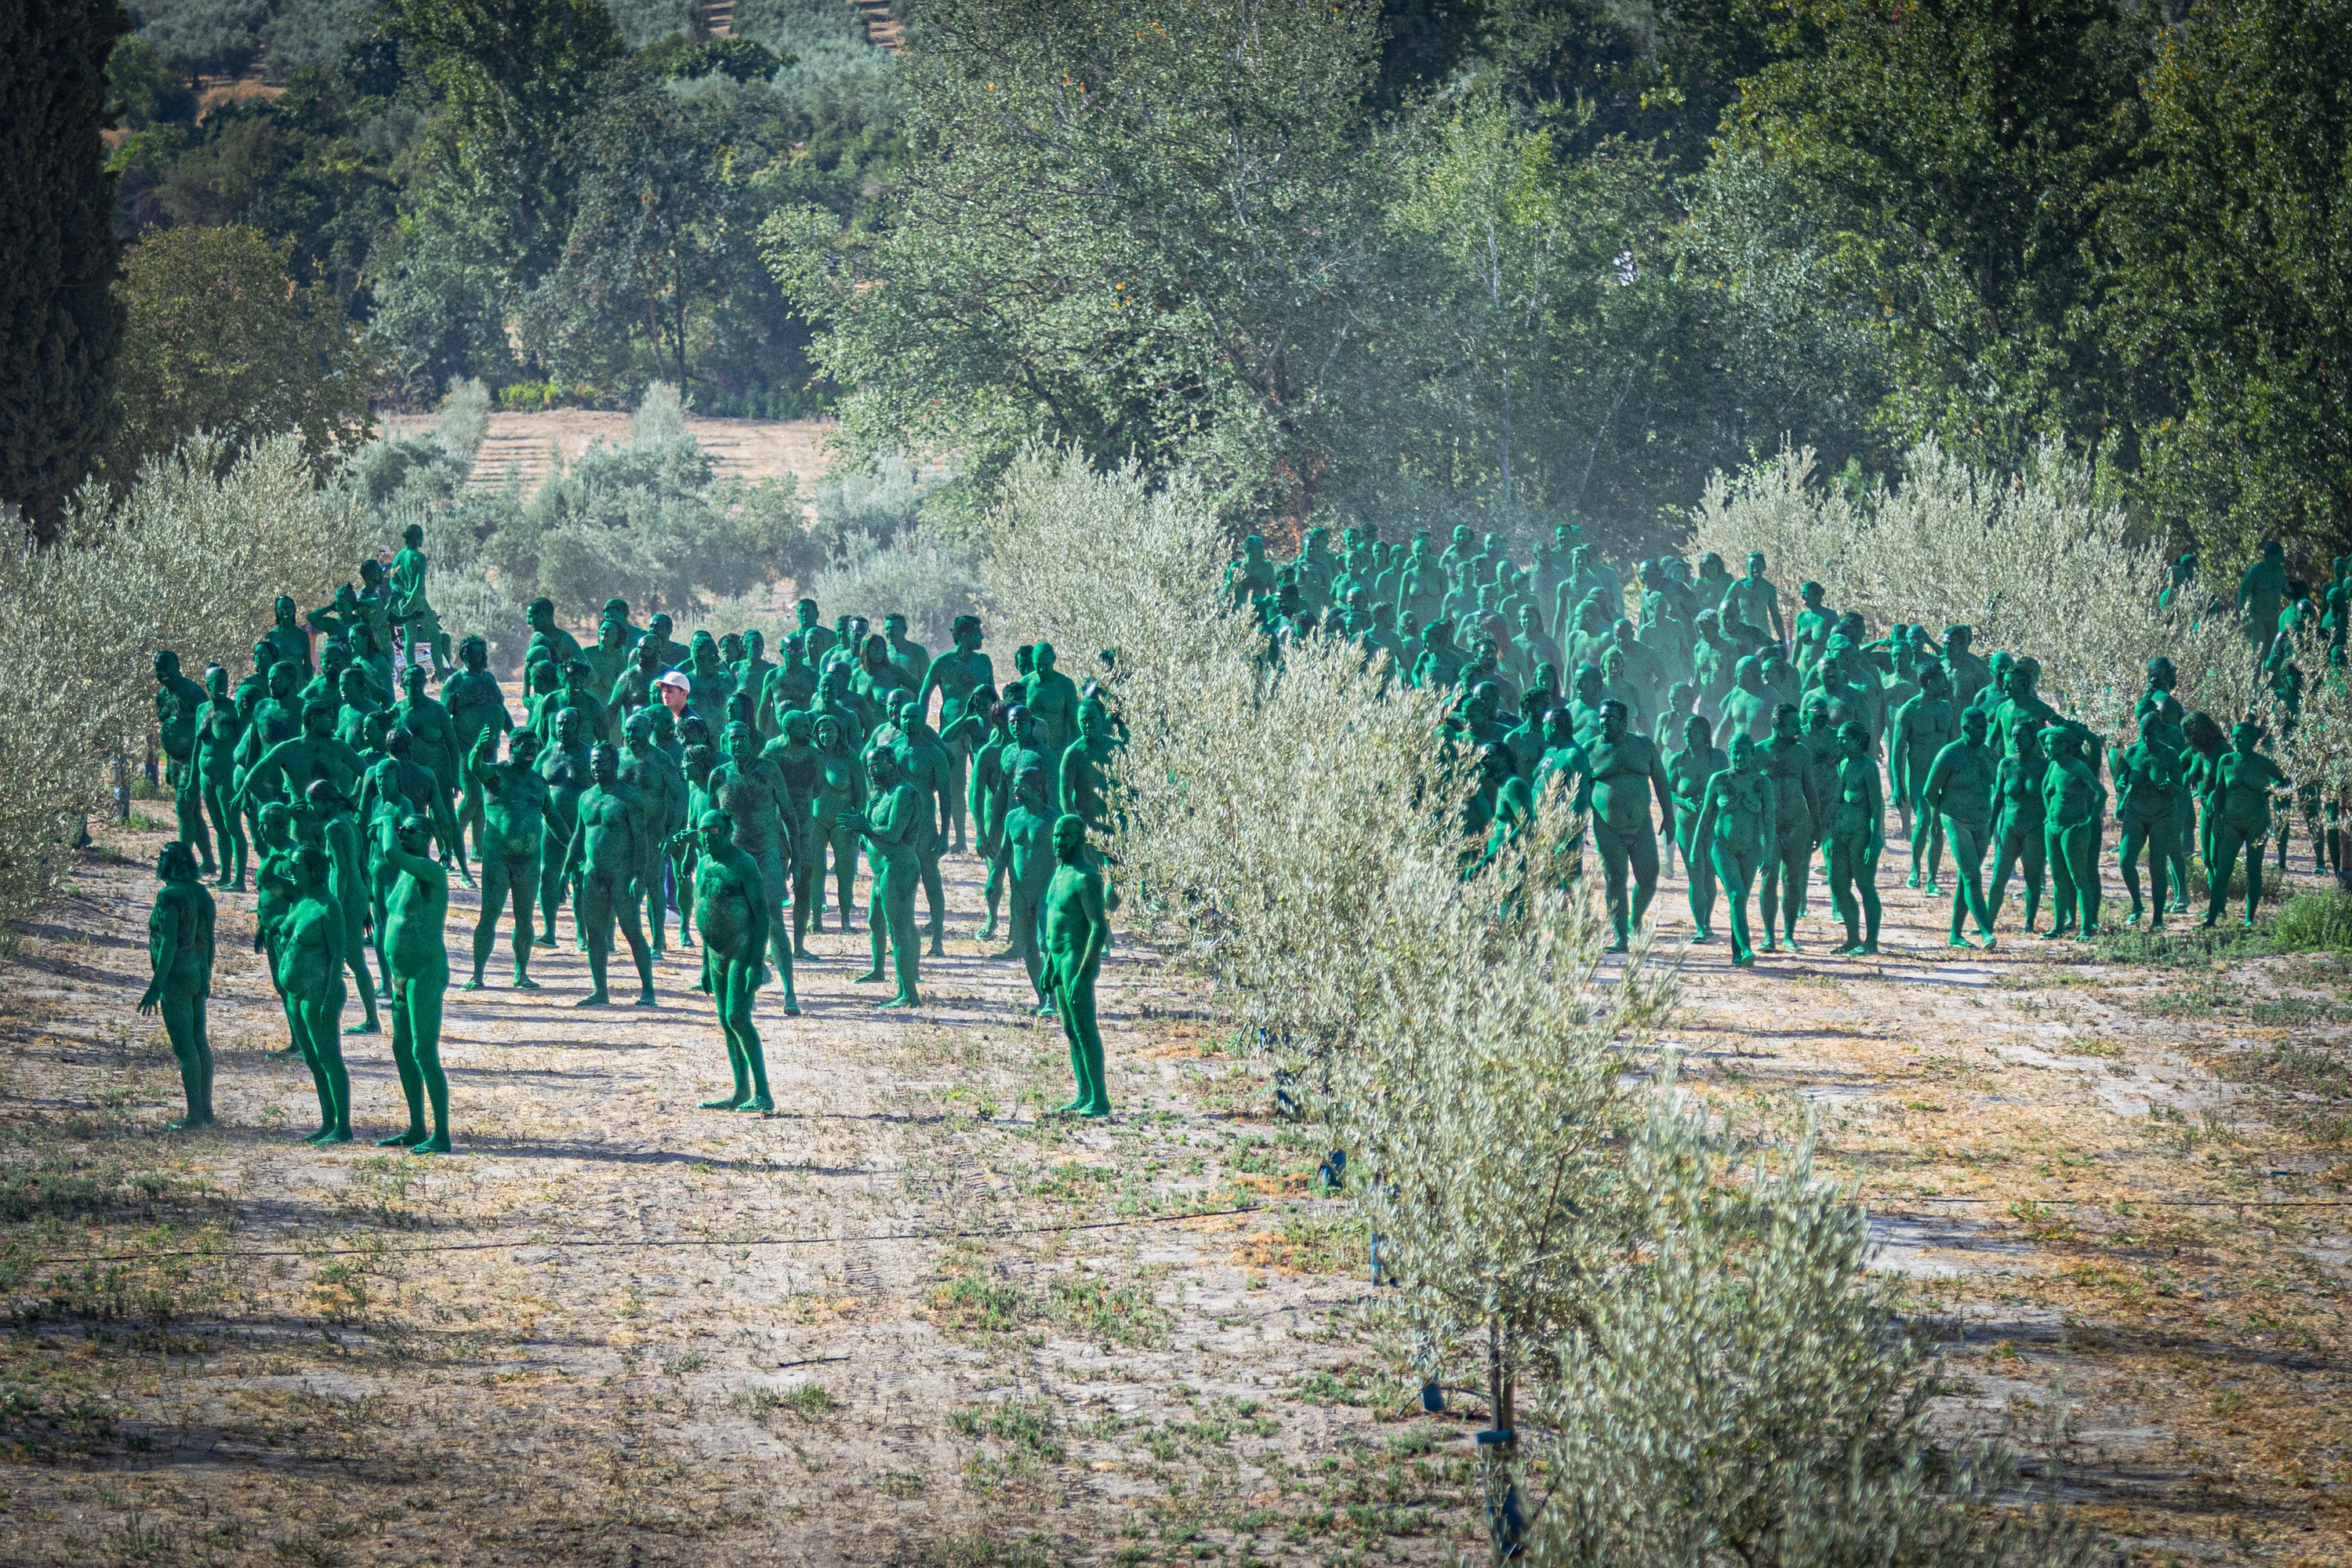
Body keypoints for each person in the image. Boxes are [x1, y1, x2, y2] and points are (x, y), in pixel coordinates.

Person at [684, 811, 774, 1112]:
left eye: (714, 830)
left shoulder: (743, 863)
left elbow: (762, 916)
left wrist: (756, 963)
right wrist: (703, 966)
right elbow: (705, 912)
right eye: (703, 831)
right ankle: (740, 1091)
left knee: (737, 1016)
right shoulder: (704, 863)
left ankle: (763, 1094)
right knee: (725, 1020)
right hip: (714, 952)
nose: (708, 836)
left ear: (728, 831)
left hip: (741, 949)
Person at [376, 813, 454, 1152]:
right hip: (401, 974)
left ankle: (442, 1136)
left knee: (424, 1051)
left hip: (425, 972)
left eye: (410, 831)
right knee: (402, 1049)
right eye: (400, 830)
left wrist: (386, 820)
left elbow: (390, 851)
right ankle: (418, 1128)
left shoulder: (431, 871)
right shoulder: (405, 874)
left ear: (427, 837)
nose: (402, 834)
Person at [1584, 700, 1674, 953]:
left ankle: (1636, 919)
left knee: (1648, 878)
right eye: (1602, 717)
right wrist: (1579, 824)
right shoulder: (1590, 750)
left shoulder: (1643, 745)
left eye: (1611, 718)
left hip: (1641, 824)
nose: (1605, 722)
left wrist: (1669, 816)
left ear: (1624, 722)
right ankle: (1620, 937)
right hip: (1607, 826)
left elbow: (1661, 781)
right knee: (1615, 879)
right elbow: (1581, 791)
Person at [837, 749, 924, 1009]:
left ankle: (908, 993)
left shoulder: (904, 793)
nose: (872, 771)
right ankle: (880, 971)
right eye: (869, 766)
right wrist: (863, 828)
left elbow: (894, 833)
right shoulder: (880, 797)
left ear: (892, 764)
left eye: (877, 765)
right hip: (881, 872)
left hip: (899, 868)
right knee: (876, 921)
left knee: (900, 930)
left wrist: (864, 827)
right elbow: (870, 829)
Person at [139, 840, 216, 1129]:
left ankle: (194, 1116)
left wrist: (155, 986)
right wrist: (207, 974)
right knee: (200, 1042)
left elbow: (169, 943)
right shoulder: (202, 893)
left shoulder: (169, 896)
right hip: (198, 970)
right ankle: (206, 1111)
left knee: (186, 1049)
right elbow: (209, 940)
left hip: (176, 976)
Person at [1040, 814, 1114, 1116]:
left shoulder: (1086, 878)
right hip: (1058, 958)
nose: (1059, 841)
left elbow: (1098, 927)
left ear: (1081, 840)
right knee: (1070, 1029)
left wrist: (1084, 975)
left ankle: (1100, 1099)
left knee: (1084, 1028)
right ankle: (1084, 1094)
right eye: (1056, 835)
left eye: (1066, 836)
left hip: (1076, 958)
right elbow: (1054, 921)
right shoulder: (1059, 873)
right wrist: (1049, 962)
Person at [278, 844, 352, 1144]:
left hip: (319, 993)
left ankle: (343, 1129)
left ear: (313, 869)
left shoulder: (328, 906)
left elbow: (338, 955)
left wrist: (329, 996)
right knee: (312, 1060)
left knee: (329, 1059)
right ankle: (327, 1123)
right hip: (296, 994)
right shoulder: (301, 898)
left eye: (297, 865)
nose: (291, 869)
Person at [466, 729, 549, 990]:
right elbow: (475, 768)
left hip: (529, 860)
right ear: (511, 747)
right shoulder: (497, 774)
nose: (531, 751)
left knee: (525, 920)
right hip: (498, 859)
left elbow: (553, 816)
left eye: (534, 747)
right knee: (489, 916)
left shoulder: (539, 782)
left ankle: (521, 974)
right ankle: (477, 975)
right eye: (525, 746)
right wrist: (478, 748)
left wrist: (573, 846)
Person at [1693, 734, 1774, 967]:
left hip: (1751, 850)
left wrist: (1768, 852)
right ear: (1730, 754)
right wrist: (1695, 849)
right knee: (1737, 896)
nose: (1739, 757)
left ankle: (1737, 955)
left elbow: (1769, 821)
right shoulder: (1719, 780)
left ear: (1752, 754)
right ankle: (1747, 949)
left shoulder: (1762, 783)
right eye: (1735, 753)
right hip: (1723, 848)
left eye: (1744, 753)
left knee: (1739, 901)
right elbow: (1705, 816)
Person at [1919, 708, 1998, 949]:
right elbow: (1929, 791)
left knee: (1967, 879)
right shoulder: (1949, 754)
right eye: (1979, 728)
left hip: (1982, 822)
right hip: (1956, 820)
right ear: (1965, 728)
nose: (1984, 732)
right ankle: (1986, 932)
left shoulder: (1987, 754)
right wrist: (1943, 814)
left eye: (1985, 727)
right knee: (1973, 876)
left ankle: (1955, 935)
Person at [1824, 720, 1885, 955]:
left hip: (1861, 835)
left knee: (1865, 886)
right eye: (1838, 737)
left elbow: (1877, 806)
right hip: (1840, 833)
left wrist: (1874, 840)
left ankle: (1871, 942)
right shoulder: (1844, 765)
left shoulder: (1868, 767)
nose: (1839, 742)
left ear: (1858, 740)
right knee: (1838, 885)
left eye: (1844, 738)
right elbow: (1838, 800)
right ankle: (1852, 938)